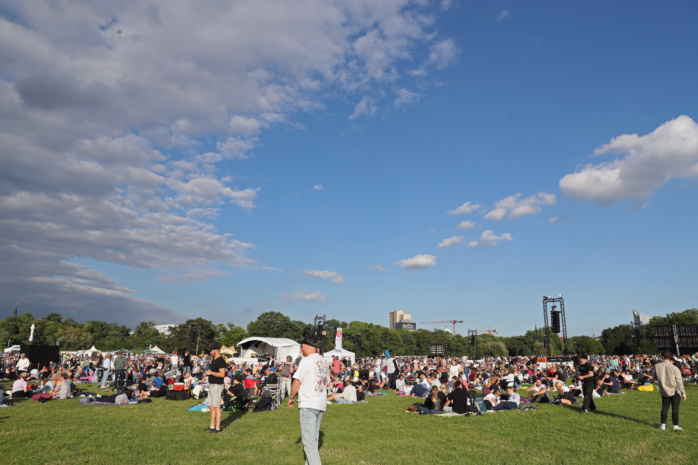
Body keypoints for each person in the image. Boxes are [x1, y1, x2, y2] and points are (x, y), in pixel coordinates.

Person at [288, 336, 330, 465]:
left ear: (306, 346)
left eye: (301, 347)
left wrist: (291, 397)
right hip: (321, 403)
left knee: (308, 442)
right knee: (313, 439)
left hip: (309, 402)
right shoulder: (324, 361)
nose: (301, 350)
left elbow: (297, 381)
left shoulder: (306, 361)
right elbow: (327, 382)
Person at [653, 351, 686, 431]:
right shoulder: (674, 368)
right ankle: (675, 426)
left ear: (662, 357)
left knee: (665, 407)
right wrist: (683, 393)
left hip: (664, 390)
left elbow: (655, 378)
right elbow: (679, 382)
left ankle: (663, 425)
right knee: (675, 408)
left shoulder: (657, 366)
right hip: (675, 390)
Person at [204, 343, 226, 433]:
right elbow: (213, 371)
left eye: (211, 351)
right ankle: (212, 426)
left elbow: (222, 374)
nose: (210, 352)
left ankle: (218, 428)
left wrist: (211, 373)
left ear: (216, 350)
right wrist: (207, 373)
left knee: (217, 407)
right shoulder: (213, 360)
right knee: (211, 406)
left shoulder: (221, 360)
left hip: (217, 385)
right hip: (211, 385)